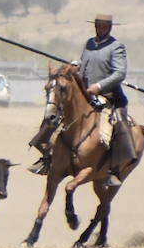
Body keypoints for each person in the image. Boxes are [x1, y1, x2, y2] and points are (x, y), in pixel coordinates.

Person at [29, 14, 136, 187]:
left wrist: (99, 86)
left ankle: (114, 170)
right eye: (98, 25)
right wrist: (75, 65)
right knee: (54, 115)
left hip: (110, 96)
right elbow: (84, 63)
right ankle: (47, 157)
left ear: (109, 27)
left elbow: (119, 73)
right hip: (86, 94)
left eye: (103, 26)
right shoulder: (90, 44)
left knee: (119, 127)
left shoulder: (116, 47)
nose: (100, 28)